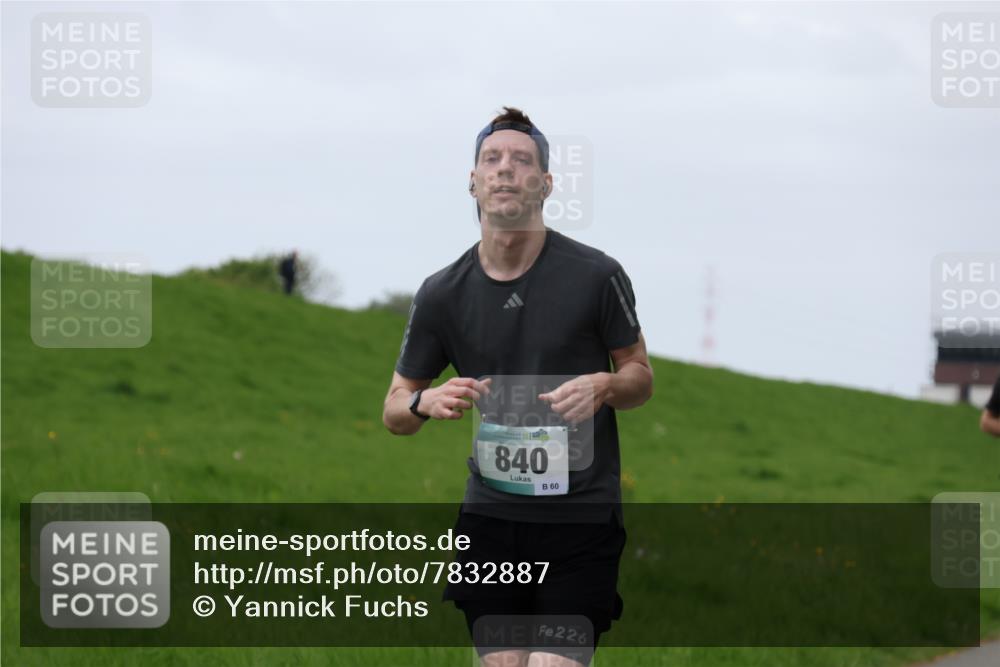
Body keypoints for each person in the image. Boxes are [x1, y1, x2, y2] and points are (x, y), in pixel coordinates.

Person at [382, 107, 653, 667]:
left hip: (580, 520)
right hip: (491, 521)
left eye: (522, 160)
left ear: (546, 184)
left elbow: (640, 378)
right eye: (491, 159)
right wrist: (423, 401)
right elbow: (394, 411)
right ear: (473, 181)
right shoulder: (441, 294)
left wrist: (604, 385)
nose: (505, 169)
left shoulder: (596, 276)